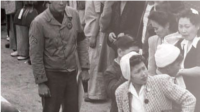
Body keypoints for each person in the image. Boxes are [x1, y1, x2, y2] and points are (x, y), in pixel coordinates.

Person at [29, 1, 89, 112]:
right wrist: (41, 83)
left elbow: (81, 40)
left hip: (71, 74)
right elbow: (35, 55)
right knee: (51, 109)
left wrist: (85, 68)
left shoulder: (73, 14)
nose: (62, 3)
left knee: (72, 109)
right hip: (52, 76)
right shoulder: (38, 22)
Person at [115, 54, 196, 112]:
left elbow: (189, 99)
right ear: (129, 76)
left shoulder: (161, 81)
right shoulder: (121, 91)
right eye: (138, 71)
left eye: (143, 68)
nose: (143, 73)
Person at [104, 35, 139, 112]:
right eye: (132, 52)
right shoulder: (110, 71)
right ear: (120, 52)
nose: (135, 56)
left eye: (137, 52)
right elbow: (113, 93)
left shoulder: (138, 66)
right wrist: (125, 74)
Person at [177, 8, 200, 112]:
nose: (183, 30)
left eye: (187, 26)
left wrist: (180, 71)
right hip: (183, 93)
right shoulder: (180, 44)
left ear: (198, 26)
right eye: (180, 26)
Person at [147, 10, 182, 75]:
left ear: (167, 25)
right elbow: (151, 67)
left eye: (156, 28)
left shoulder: (181, 39)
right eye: (153, 28)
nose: (155, 31)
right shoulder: (153, 40)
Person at [155, 44, 186, 112]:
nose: (180, 68)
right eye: (178, 65)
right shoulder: (165, 84)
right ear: (168, 68)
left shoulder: (171, 79)